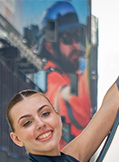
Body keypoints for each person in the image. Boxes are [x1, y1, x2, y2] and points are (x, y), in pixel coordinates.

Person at [37, 1, 92, 142]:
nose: (75, 45)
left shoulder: (72, 76)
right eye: (67, 38)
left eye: (77, 37)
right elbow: (69, 101)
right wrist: (92, 59)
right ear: (50, 46)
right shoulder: (48, 80)